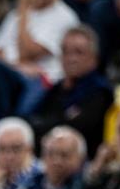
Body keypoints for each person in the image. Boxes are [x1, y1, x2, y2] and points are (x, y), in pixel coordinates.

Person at [26, 24, 114, 157]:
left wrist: (45, 127)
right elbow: (33, 119)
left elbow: (78, 128)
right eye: (65, 52)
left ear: (94, 58)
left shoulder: (101, 92)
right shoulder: (55, 90)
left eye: (79, 52)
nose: (71, 58)